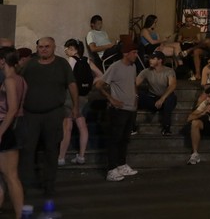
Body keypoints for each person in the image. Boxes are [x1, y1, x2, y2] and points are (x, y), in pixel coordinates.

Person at [19, 37, 78, 197]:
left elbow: (72, 84)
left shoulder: (61, 64)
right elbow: (19, 82)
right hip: (31, 114)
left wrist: (75, 106)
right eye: (40, 47)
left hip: (53, 113)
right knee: (27, 150)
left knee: (52, 150)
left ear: (53, 47)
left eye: (47, 46)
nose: (43, 49)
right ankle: (23, 185)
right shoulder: (30, 64)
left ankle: (49, 185)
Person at [95, 41, 140, 182]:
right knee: (115, 139)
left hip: (130, 109)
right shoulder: (115, 67)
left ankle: (121, 164)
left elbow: (132, 83)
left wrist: (136, 96)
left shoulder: (133, 67)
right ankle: (111, 169)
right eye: (134, 52)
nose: (136, 55)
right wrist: (111, 99)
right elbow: (99, 84)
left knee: (124, 139)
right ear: (126, 53)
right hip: (119, 110)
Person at [58, 39, 102, 165]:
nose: (65, 50)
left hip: (70, 97)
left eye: (67, 48)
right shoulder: (87, 60)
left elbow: (66, 79)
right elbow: (101, 75)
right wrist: (89, 85)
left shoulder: (71, 60)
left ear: (73, 49)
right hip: (84, 96)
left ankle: (61, 157)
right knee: (82, 125)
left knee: (67, 126)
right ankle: (81, 156)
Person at [0, 47, 25, 218]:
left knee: (10, 176)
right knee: (5, 176)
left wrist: (1, 132)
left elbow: (13, 108)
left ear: (2, 60)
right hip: (9, 126)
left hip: (4, 126)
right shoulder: (20, 79)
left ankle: (20, 215)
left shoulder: (9, 80)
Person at [135, 51, 178, 136]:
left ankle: (166, 127)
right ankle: (132, 126)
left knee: (170, 98)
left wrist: (162, 99)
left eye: (153, 59)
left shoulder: (169, 71)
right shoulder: (146, 71)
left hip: (166, 98)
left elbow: (172, 86)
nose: (150, 60)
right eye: (150, 58)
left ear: (160, 60)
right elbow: (135, 84)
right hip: (153, 99)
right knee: (136, 96)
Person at [175, 12, 203, 80]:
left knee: (192, 47)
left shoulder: (196, 29)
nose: (189, 23)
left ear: (192, 21)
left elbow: (199, 40)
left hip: (193, 44)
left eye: (190, 21)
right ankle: (185, 71)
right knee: (185, 46)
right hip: (185, 44)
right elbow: (179, 40)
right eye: (187, 21)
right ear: (185, 21)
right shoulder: (182, 29)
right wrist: (183, 40)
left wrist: (193, 40)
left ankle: (186, 54)